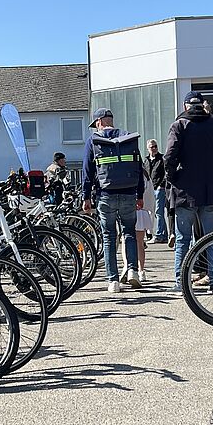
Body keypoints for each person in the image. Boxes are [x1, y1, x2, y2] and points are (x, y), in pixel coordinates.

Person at [164, 91, 213, 292]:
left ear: (186, 106)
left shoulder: (179, 125)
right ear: (202, 104)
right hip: (211, 190)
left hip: (185, 192)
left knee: (182, 239)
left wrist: (172, 178)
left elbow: (169, 157)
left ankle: (181, 283)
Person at [82, 107, 144, 293]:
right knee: (129, 233)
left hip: (105, 195)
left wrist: (86, 197)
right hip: (128, 193)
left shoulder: (93, 141)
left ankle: (113, 281)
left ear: (100, 122)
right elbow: (139, 167)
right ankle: (132, 270)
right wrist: (139, 194)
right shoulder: (128, 138)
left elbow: (87, 171)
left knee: (109, 237)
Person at [144, 139, 169, 244]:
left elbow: (166, 173)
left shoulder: (162, 159)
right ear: (148, 148)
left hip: (159, 189)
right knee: (151, 212)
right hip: (149, 189)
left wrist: (161, 185)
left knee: (159, 212)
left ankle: (159, 235)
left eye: (155, 146)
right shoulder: (146, 160)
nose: (154, 149)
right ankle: (163, 234)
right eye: (151, 147)